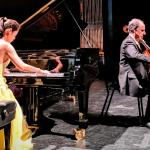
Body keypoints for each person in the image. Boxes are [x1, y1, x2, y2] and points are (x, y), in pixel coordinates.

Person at [0, 17, 57, 150]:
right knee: (15, 118)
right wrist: (41, 70)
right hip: (0, 89)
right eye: (14, 35)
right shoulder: (6, 45)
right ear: (8, 31)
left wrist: (3, 68)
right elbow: (22, 67)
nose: (14, 38)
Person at [118, 18, 150, 127]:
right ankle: (147, 120)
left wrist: (144, 44)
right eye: (142, 30)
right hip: (130, 79)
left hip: (137, 75)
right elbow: (134, 55)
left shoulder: (134, 41)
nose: (144, 33)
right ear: (134, 30)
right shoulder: (128, 42)